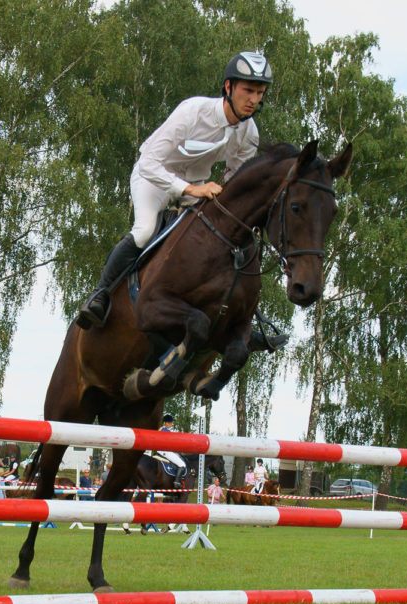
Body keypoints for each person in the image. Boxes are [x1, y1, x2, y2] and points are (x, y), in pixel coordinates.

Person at [73, 52, 286, 352]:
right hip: (154, 180)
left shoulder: (249, 132)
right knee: (146, 230)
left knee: (223, 240)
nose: (253, 99)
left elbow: (235, 178)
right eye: (248, 90)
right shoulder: (193, 112)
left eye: (260, 93)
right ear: (228, 87)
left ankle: (247, 321)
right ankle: (100, 296)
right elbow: (149, 163)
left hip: (195, 189)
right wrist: (191, 189)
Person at [155, 414, 187, 489]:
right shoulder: (166, 431)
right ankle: (177, 482)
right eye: (169, 423)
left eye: (171, 423)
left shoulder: (161, 429)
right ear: (165, 423)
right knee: (182, 464)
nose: (171, 424)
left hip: (160, 450)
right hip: (165, 451)